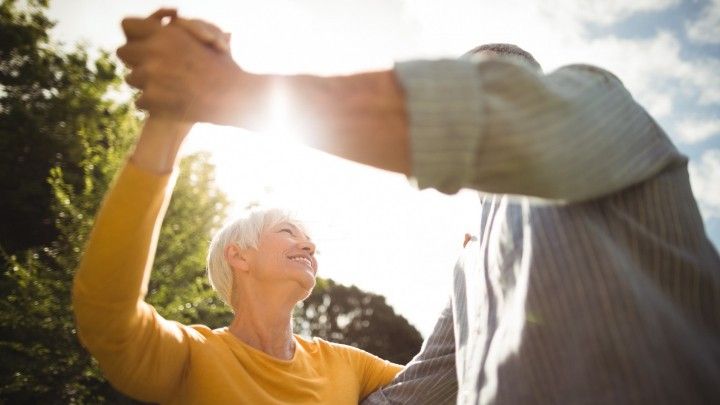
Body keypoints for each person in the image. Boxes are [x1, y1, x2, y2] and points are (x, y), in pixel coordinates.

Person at [115, 9, 720, 404]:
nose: (308, 243)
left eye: (495, 83)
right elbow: (427, 384)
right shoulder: (473, 260)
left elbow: (483, 116)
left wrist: (231, 90)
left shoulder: (603, 105)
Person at [72, 60, 403, 404]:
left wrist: (465, 270)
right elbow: (106, 314)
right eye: (288, 231)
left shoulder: (347, 363)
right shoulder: (193, 357)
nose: (309, 245)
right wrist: (165, 129)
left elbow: (444, 378)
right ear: (239, 255)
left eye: (307, 239)